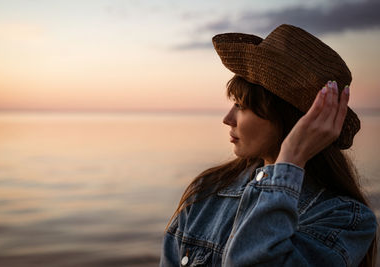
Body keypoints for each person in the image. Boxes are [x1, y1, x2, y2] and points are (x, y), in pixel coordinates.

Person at [159, 24, 377, 266]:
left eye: (241, 106)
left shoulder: (345, 219)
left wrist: (291, 159)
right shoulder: (207, 190)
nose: (227, 119)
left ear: (289, 118)